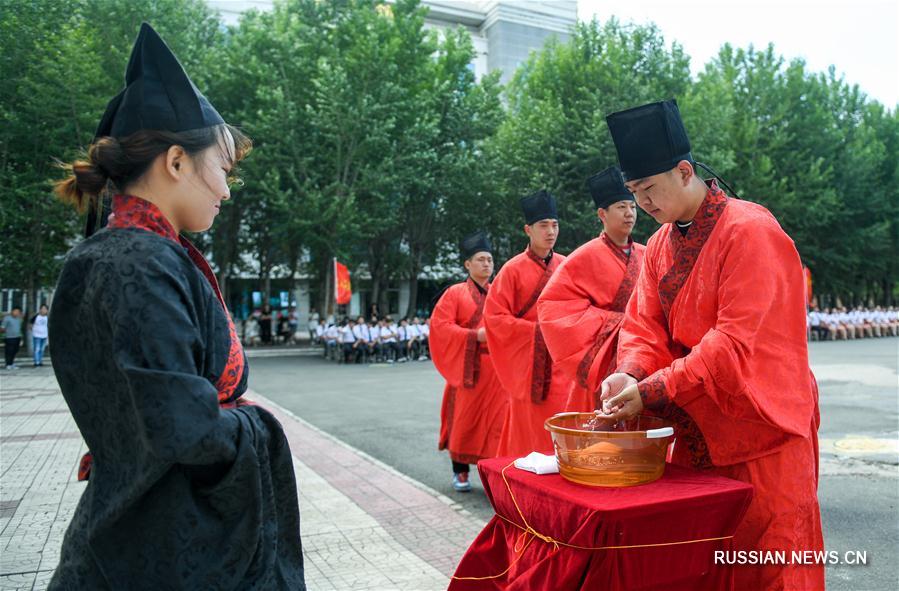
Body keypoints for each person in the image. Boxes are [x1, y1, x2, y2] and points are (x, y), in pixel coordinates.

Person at [47, 23, 304, 588]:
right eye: (223, 169)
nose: (227, 190)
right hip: (164, 543)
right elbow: (184, 429)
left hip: (133, 523)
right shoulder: (141, 262)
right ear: (176, 162)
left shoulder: (117, 254)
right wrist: (260, 427)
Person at [598, 99, 822, 591]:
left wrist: (656, 389)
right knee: (701, 567)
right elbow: (642, 325)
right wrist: (631, 373)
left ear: (684, 171)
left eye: (649, 188)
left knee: (771, 567)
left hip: (761, 433)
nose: (643, 204)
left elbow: (735, 342)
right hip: (696, 427)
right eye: (633, 193)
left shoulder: (751, 230)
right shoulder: (658, 245)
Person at [537, 166, 645, 411]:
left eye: (632, 207)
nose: (629, 214)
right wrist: (619, 323)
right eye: (621, 207)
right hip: (601, 365)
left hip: (641, 359)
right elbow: (554, 306)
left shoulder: (648, 254)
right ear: (602, 214)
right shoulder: (583, 257)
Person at [484, 190, 570, 457]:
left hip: (564, 367)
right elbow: (495, 319)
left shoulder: (568, 265)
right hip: (529, 368)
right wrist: (538, 333)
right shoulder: (511, 270)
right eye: (543, 225)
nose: (550, 231)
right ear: (528, 230)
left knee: (566, 427)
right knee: (530, 433)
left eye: (554, 225)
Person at [431, 232, 509, 492]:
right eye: (480, 259)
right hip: (468, 369)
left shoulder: (499, 292)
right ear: (468, 264)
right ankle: (460, 471)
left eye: (489, 259)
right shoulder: (454, 293)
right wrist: (474, 335)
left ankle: (492, 473)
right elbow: (441, 327)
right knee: (465, 421)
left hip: (497, 371)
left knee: (496, 424)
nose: (487, 264)